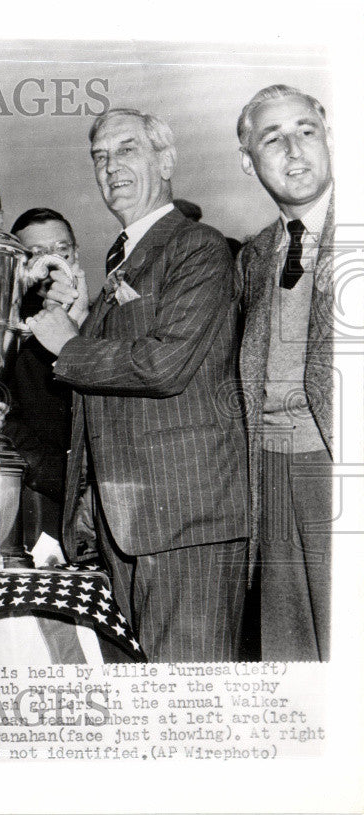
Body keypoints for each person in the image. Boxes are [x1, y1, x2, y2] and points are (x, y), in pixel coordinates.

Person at [27, 108, 249, 662]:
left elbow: (165, 365)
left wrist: (68, 344)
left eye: (126, 150)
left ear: (166, 159)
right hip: (127, 527)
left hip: (184, 522)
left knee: (184, 707)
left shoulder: (198, 246)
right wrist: (82, 326)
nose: (110, 166)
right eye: (100, 157)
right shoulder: (123, 258)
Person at [236, 85, 334, 661]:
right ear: (248, 161)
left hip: (336, 464)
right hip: (268, 470)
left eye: (306, 131)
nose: (295, 150)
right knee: (288, 654)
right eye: (273, 139)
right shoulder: (252, 256)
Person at [0, 208, 88, 550]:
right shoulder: (5, 341)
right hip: (41, 511)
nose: (50, 266)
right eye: (34, 256)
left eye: (62, 251)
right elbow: (4, 425)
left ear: (77, 255)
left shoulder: (110, 323)